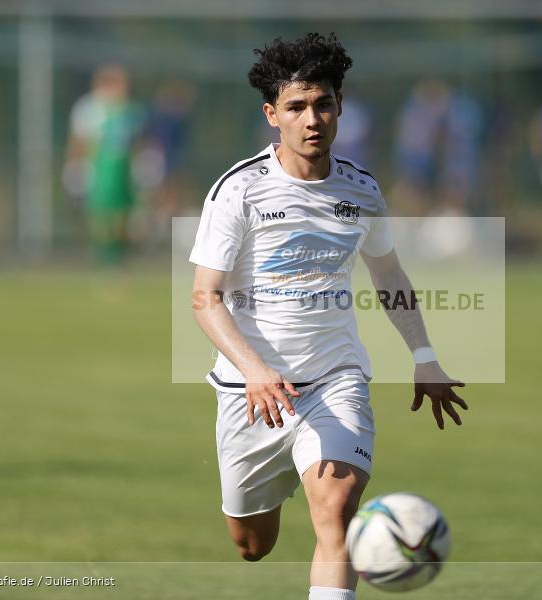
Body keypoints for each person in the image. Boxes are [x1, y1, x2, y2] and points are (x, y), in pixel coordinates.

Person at [189, 33, 467, 600]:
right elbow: (205, 298)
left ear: (340, 105)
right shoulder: (239, 190)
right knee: (252, 544)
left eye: (322, 104)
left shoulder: (361, 190)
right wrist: (256, 371)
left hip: (335, 380)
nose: (312, 119)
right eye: (295, 107)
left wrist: (425, 357)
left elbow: (389, 277)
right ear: (272, 116)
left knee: (335, 512)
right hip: (251, 393)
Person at [65, 64, 144, 265]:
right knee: (99, 211)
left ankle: (117, 252)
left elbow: (137, 141)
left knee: (122, 212)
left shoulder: (130, 109)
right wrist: (75, 165)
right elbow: (78, 140)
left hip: (123, 169)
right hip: (99, 169)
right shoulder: (90, 108)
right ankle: (102, 253)